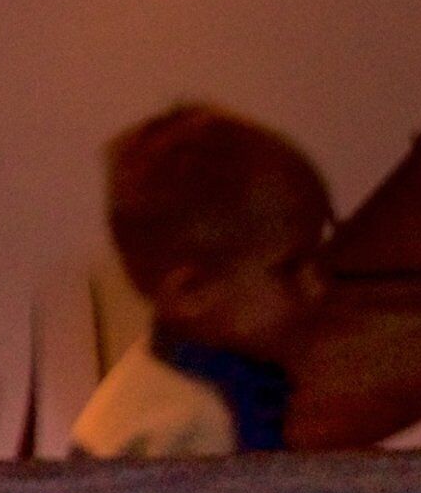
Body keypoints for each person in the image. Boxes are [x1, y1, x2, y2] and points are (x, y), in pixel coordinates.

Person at [70, 102, 332, 459]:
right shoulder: (190, 426)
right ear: (190, 291)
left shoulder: (163, 386)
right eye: (289, 268)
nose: (317, 287)